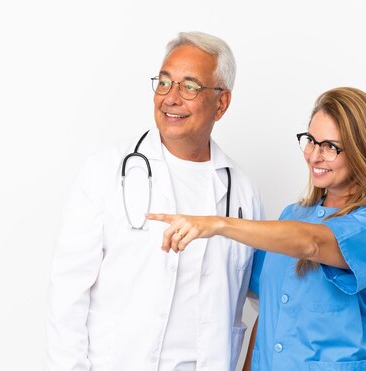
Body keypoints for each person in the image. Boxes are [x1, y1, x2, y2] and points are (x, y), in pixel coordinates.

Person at [47, 31, 264, 371]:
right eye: (164, 83)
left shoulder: (243, 192)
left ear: (221, 103)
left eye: (189, 86)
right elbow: (68, 291)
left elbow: (267, 297)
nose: (171, 97)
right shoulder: (105, 170)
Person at [147, 87, 366, 370]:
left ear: (362, 151)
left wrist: (218, 223)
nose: (314, 156)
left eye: (331, 147)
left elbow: (313, 244)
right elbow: (269, 312)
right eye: (311, 140)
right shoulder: (292, 215)